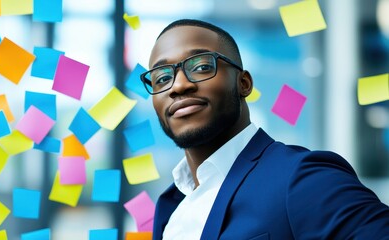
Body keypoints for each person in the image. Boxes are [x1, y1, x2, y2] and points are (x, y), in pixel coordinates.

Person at [140, 19, 389, 240]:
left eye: (202, 67)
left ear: (244, 83)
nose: (179, 85)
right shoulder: (170, 207)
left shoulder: (300, 177)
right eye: (162, 78)